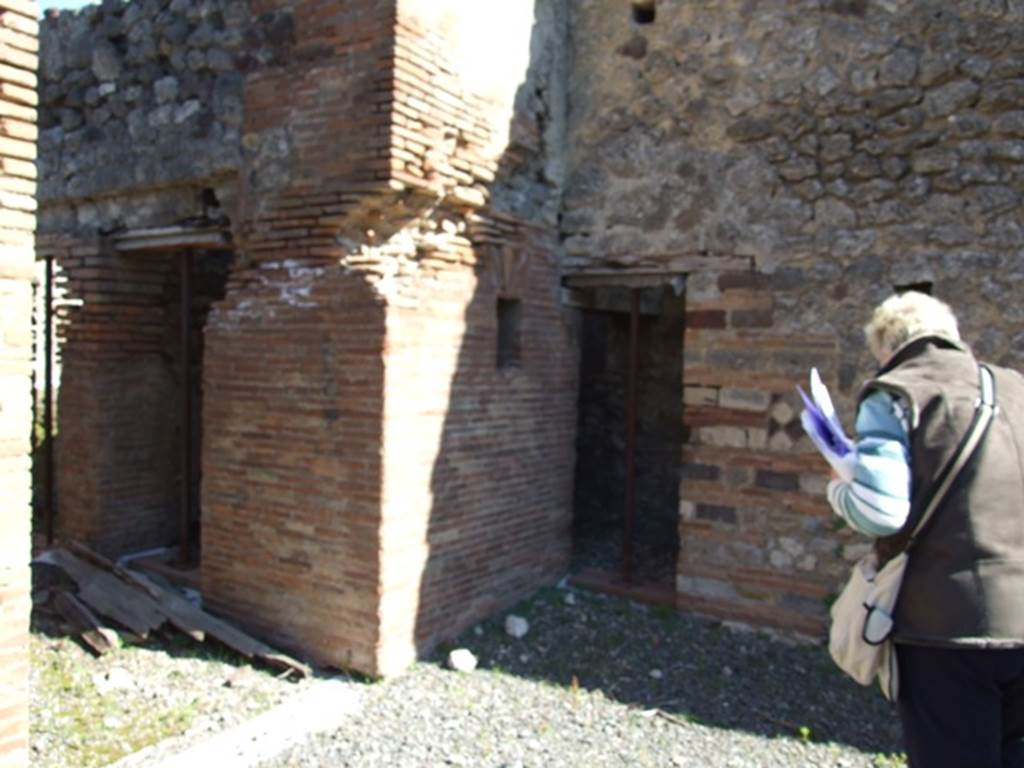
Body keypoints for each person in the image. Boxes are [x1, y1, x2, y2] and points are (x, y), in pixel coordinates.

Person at [827, 291, 1024, 768]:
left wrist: (838, 488)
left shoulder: (897, 392)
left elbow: (880, 511)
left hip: (944, 625)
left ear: (885, 346)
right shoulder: (1016, 389)